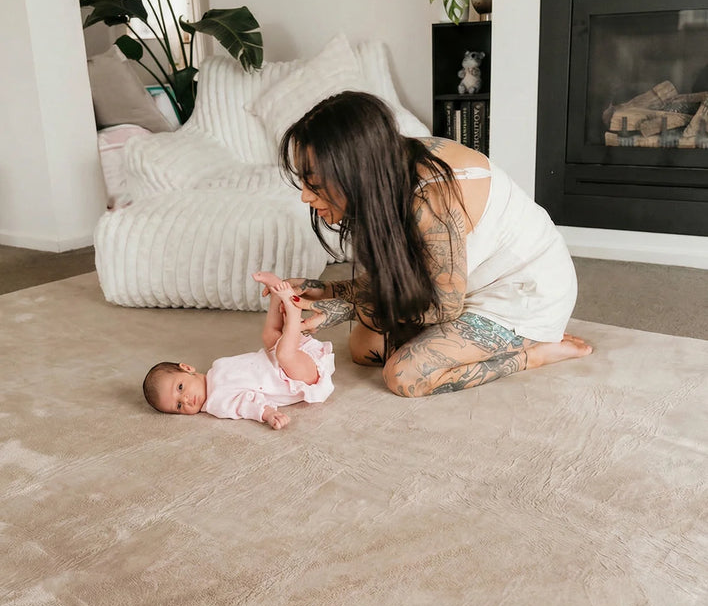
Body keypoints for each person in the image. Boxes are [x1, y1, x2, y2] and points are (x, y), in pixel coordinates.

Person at [264, 90, 592, 398]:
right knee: (364, 348)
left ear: (354, 172)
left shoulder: (431, 199)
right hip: (460, 288)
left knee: (405, 376)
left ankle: (534, 354)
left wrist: (344, 307)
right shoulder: (387, 170)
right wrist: (328, 290)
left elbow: (439, 307)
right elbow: (407, 274)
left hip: (522, 296)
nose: (306, 196)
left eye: (316, 184)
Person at [142, 273, 335, 429]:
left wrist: (274, 348)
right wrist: (268, 414)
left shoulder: (216, 368)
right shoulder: (216, 403)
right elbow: (246, 405)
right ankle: (293, 313)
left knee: (269, 336)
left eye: (180, 388)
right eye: (178, 406)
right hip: (297, 377)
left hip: (284, 360)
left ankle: (277, 292)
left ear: (187, 368)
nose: (185, 400)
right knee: (284, 353)